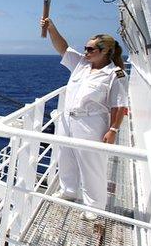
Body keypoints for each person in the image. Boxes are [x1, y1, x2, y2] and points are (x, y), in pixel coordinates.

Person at [41, 17, 128, 221]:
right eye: (86, 48)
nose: (86, 52)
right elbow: (63, 48)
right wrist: (52, 28)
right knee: (65, 156)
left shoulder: (115, 74)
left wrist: (113, 130)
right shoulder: (81, 64)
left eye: (91, 50)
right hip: (68, 119)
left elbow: (119, 105)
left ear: (105, 51)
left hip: (91, 123)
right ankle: (69, 191)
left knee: (91, 164)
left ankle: (94, 206)